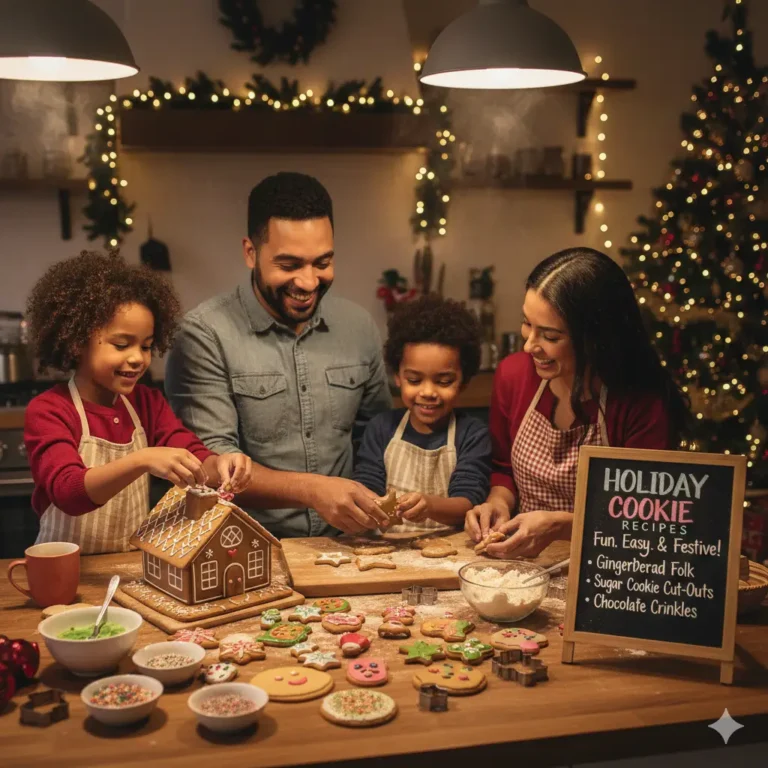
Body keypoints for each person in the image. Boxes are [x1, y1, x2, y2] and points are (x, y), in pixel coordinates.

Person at [165, 172, 393, 538]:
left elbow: (378, 438)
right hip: (247, 545)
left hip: (351, 545)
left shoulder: (359, 327)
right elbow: (209, 469)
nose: (308, 282)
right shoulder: (204, 334)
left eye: (322, 263)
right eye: (289, 266)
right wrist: (314, 490)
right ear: (250, 253)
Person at [465, 247, 690, 559]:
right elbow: (503, 469)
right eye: (527, 324)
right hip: (522, 564)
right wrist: (497, 502)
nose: (529, 345)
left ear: (595, 339)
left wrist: (561, 526)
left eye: (550, 336)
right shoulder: (513, 376)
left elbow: (646, 516)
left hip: (611, 564)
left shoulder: (641, 404)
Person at [24, 251, 252, 554]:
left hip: (128, 566)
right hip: (62, 569)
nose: (138, 358)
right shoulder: (50, 410)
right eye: (121, 345)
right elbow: (69, 493)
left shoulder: (146, 404)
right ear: (77, 343)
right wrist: (141, 460)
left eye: (146, 346)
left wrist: (221, 464)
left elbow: (192, 456)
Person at [353, 295, 491, 532]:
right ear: (398, 377)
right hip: (389, 545)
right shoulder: (382, 428)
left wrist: (430, 506)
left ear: (464, 382)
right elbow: (367, 488)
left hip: (452, 547)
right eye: (414, 380)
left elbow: (468, 503)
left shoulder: (472, 434)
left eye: (444, 381)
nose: (428, 392)